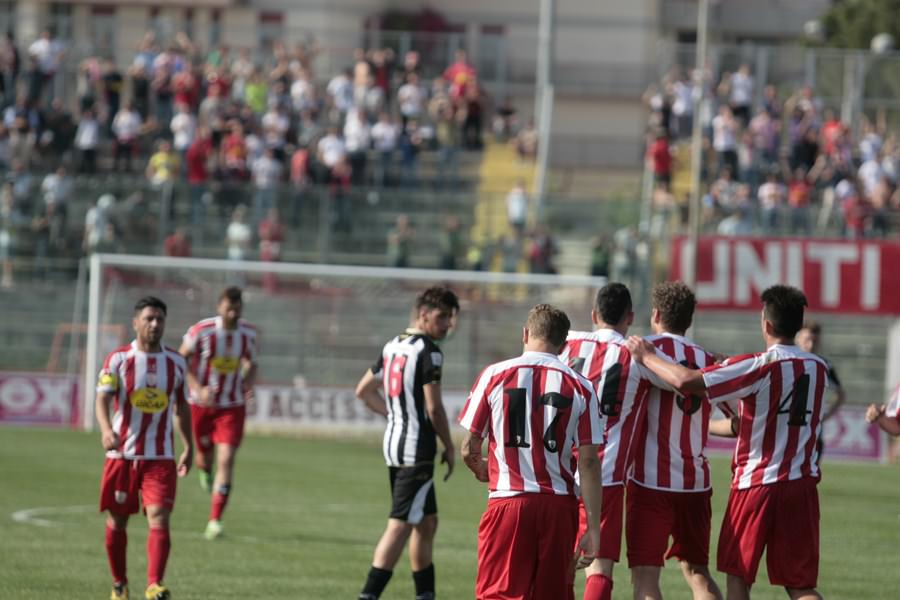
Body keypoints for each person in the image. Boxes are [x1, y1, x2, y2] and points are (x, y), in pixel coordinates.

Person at [626, 285, 829, 600]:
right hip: (801, 483)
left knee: (738, 576)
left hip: (756, 482)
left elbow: (686, 382)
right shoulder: (818, 368)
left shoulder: (758, 364)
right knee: (800, 586)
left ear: (767, 325)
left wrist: (648, 356)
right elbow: (744, 420)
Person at [459, 304, 605, 600]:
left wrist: (480, 467)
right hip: (558, 507)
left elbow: (468, 446)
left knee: (498, 595)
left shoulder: (495, 374)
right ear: (564, 344)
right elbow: (589, 462)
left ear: (525, 333)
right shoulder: (581, 386)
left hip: (508, 502)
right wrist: (591, 525)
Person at [560, 283, 674, 600]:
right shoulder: (637, 355)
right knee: (599, 566)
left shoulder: (568, 343)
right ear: (631, 317)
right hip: (605, 472)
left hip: (559, 468)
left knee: (562, 562)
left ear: (594, 314)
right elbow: (679, 383)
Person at [354, 287, 460, 600]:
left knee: (426, 522)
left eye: (451, 319)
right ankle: (368, 595)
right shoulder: (429, 351)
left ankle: (425, 594)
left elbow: (363, 390)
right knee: (400, 524)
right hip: (417, 450)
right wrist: (449, 445)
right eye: (442, 317)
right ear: (423, 314)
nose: (447, 325)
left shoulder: (393, 346)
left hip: (394, 445)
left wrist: (395, 415)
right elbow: (433, 408)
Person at [627, 282, 729, 600]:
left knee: (645, 579)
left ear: (655, 314)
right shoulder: (708, 358)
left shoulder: (643, 350)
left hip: (651, 482)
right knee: (698, 574)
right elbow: (739, 422)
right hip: (696, 484)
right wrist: (703, 428)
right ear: (689, 319)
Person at [96, 296, 193, 600]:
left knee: (160, 517)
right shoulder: (118, 359)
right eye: (149, 319)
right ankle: (119, 584)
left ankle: (154, 585)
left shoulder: (177, 363)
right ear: (135, 322)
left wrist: (188, 446)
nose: (154, 324)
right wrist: (105, 430)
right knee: (118, 520)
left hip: (160, 457)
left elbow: (182, 407)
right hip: (122, 455)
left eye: (160, 319)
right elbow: (102, 397)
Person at [179, 287, 258, 540]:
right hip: (201, 405)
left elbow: (251, 363)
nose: (233, 312)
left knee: (227, 459)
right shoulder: (201, 331)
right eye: (229, 307)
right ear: (219, 307)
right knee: (205, 458)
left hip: (232, 406)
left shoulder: (248, 334)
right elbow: (182, 358)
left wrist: (248, 385)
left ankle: (215, 520)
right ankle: (204, 469)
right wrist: (197, 387)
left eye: (237, 307)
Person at [795, 322, 846, 425]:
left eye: (815, 341)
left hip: (813, 431)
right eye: (807, 340)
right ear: (798, 339)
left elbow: (840, 394)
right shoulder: (787, 362)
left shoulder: (824, 365)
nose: (811, 345)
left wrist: (825, 417)